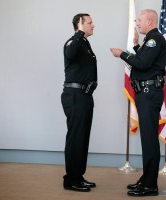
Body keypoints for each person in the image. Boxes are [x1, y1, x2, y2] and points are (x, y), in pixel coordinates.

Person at [110, 9, 166, 197]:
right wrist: (135, 47)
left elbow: (141, 65)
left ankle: (150, 185)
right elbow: (145, 61)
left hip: (149, 93)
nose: (138, 23)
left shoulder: (154, 39)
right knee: (147, 139)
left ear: (150, 21)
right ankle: (146, 179)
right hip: (147, 93)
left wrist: (122, 54)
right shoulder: (150, 40)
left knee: (149, 140)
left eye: (140, 20)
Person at [61, 13, 98, 192]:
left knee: (83, 137)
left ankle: (78, 175)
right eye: (90, 22)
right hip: (74, 95)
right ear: (80, 24)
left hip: (84, 95)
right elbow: (69, 53)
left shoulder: (85, 43)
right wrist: (78, 34)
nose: (93, 25)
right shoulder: (73, 42)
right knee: (75, 137)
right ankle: (71, 179)